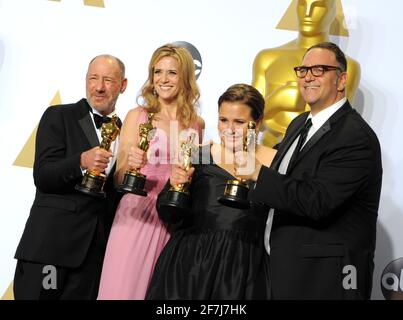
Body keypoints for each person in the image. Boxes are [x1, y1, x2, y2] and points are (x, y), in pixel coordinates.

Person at [245, 42, 382, 299]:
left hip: (324, 278)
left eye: (319, 70)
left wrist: (257, 173)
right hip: (281, 269)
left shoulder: (355, 137)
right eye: (303, 70)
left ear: (341, 80)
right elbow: (284, 177)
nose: (308, 76)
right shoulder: (299, 123)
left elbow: (317, 200)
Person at [146, 83, 276, 299]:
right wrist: (176, 185)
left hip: (243, 269)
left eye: (240, 122)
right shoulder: (200, 153)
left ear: (258, 122)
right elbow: (168, 213)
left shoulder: (275, 160)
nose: (229, 129)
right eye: (223, 120)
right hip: (191, 264)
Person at [13, 54, 127, 299]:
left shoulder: (127, 130)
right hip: (50, 250)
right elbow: (43, 176)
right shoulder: (59, 116)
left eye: (108, 80)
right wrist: (81, 162)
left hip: (92, 258)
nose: (99, 87)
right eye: (93, 78)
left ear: (123, 85)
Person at [97, 44, 204, 300]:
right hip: (136, 215)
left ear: (186, 77)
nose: (163, 80)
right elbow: (120, 178)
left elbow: (195, 175)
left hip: (173, 220)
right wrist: (131, 164)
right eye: (158, 72)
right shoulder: (138, 116)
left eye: (172, 73)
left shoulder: (197, 124)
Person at [252, 0, 361, 147]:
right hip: (268, 155)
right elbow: (250, 121)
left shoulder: (348, 67)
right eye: (302, 5)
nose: (307, 14)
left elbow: (337, 123)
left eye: (318, 6)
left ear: (332, 13)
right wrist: (277, 100)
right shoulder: (267, 58)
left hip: (315, 160)